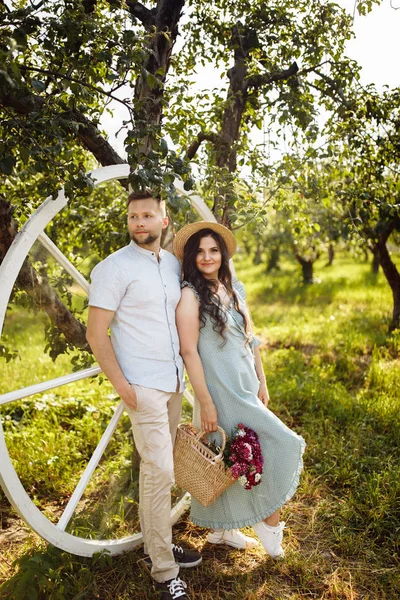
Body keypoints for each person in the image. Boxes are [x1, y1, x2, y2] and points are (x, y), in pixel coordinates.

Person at [86, 190, 201, 600]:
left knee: (158, 471)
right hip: (143, 388)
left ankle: (158, 540)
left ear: (163, 222)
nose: (139, 222)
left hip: (172, 382)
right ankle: (164, 570)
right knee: (162, 472)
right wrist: (124, 388)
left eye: (147, 215)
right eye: (133, 216)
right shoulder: (113, 268)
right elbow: (95, 334)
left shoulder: (171, 265)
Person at [174, 222, 306, 558]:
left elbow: (252, 340)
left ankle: (222, 533)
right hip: (220, 391)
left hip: (246, 386)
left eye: (213, 250)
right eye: (200, 251)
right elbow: (189, 351)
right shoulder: (190, 295)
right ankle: (267, 522)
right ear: (192, 257)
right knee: (279, 444)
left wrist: (263, 381)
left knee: (232, 460)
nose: (207, 257)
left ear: (222, 254)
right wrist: (204, 401)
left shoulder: (232, 289)